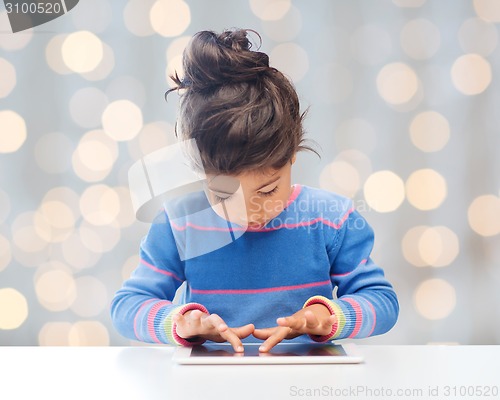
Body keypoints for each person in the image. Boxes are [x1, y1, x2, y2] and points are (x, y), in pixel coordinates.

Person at [111, 28, 399, 353]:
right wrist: (181, 322)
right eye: (221, 194)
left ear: (292, 155)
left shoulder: (331, 219)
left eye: (265, 192)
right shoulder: (179, 223)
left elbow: (382, 301)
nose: (246, 213)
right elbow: (127, 306)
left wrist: (329, 317)